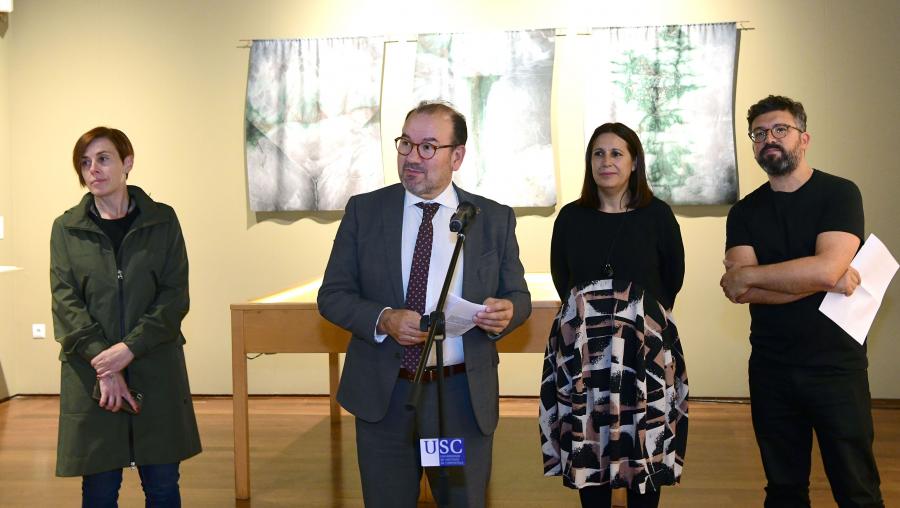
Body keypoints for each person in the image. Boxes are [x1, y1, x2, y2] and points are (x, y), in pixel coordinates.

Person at [317, 100, 531, 507]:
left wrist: (508, 311)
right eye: (406, 144)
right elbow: (333, 295)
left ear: (457, 156)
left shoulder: (492, 218)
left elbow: (517, 296)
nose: (413, 157)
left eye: (428, 147)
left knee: (458, 499)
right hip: (387, 399)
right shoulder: (365, 212)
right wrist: (384, 319)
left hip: (456, 402)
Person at [721, 95, 883, 507]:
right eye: (759, 134)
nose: (768, 139)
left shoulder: (840, 194)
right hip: (771, 368)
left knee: (857, 489)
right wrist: (823, 277)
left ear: (804, 138)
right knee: (784, 490)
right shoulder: (743, 212)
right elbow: (738, 291)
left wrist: (755, 274)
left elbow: (824, 269)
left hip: (836, 368)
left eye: (780, 130)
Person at [539, 122, 689, 508]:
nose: (606, 161)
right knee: (591, 445)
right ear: (589, 162)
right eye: (598, 153)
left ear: (634, 162)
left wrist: (632, 318)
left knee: (644, 446)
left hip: (643, 354)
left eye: (616, 153)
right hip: (585, 354)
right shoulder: (571, 218)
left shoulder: (657, 215)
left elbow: (673, 277)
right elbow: (563, 279)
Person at [51, 127, 201, 507]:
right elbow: (66, 302)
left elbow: (173, 297)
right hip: (93, 376)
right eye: (85, 163)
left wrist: (129, 349)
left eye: (103, 159)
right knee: (99, 491)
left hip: (154, 366)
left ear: (127, 163)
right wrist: (107, 364)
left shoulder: (163, 220)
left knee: (163, 486)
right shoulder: (66, 228)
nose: (93, 170)